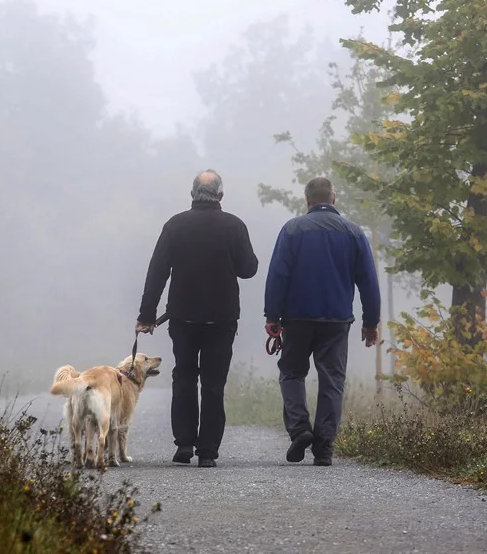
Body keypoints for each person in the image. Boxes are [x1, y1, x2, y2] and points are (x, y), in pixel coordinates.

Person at [136, 169, 258, 468]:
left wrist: (147, 315)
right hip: (222, 319)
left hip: (183, 317)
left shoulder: (175, 225)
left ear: (192, 194)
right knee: (214, 384)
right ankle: (208, 452)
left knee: (184, 377)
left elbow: (157, 272)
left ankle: (184, 444)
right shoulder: (234, 226)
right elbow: (248, 269)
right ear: (220, 195)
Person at [263, 177, 380, 466]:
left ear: (308, 201)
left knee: (292, 373)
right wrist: (371, 322)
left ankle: (300, 429)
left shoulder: (292, 229)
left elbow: (278, 275)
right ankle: (324, 448)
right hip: (337, 320)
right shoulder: (353, 232)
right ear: (334, 198)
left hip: (297, 318)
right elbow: (368, 281)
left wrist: (272, 316)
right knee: (332, 380)